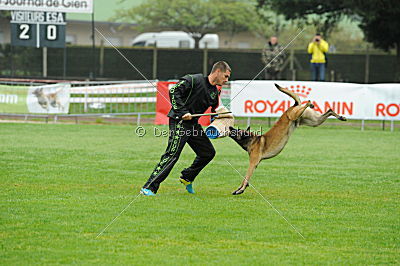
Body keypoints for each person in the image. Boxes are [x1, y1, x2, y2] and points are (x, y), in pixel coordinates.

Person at [140, 61, 232, 196]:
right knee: (172, 154)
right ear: (217, 72)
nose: (227, 80)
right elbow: (173, 91)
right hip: (179, 121)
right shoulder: (194, 80)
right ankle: (149, 187)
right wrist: (182, 112)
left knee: (208, 153)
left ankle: (187, 177)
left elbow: (215, 113)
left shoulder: (214, 92)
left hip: (193, 125)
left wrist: (222, 123)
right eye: (226, 76)